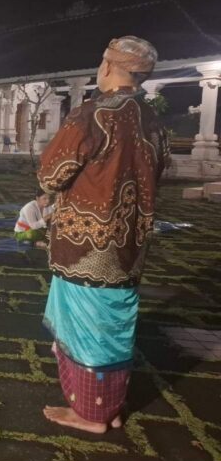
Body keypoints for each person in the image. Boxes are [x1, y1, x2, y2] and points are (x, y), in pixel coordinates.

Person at [38, 36, 168, 434]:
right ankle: (107, 407)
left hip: (86, 246)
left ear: (108, 66)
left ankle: (91, 414)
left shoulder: (94, 114)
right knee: (114, 326)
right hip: (129, 245)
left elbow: (50, 173)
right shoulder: (154, 121)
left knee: (87, 329)